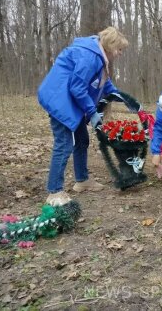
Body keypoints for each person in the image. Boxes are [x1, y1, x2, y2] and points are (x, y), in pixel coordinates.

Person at [38, 27, 129, 206]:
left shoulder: (98, 56)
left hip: (69, 101)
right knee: (63, 144)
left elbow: (103, 80)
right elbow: (77, 87)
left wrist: (118, 95)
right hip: (59, 100)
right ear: (110, 46)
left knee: (81, 140)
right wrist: (92, 111)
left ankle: (82, 180)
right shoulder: (90, 56)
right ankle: (54, 192)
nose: (119, 54)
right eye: (119, 49)